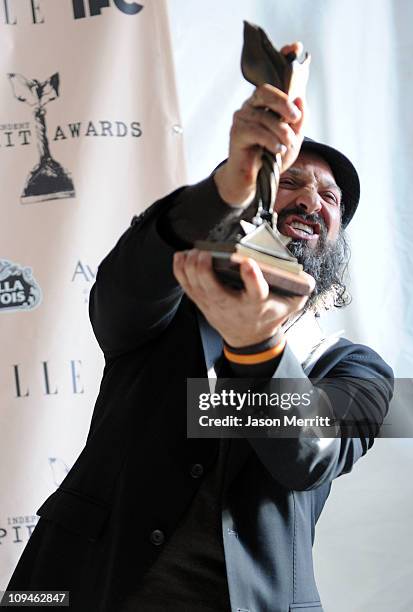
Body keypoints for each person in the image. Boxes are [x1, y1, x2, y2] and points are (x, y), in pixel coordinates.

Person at [6, 42, 393, 612]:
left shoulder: (359, 370)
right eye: (290, 181)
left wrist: (257, 348)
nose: (311, 197)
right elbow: (119, 296)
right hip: (69, 585)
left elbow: (306, 455)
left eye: (330, 196)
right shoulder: (178, 297)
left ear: (338, 237)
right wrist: (225, 189)